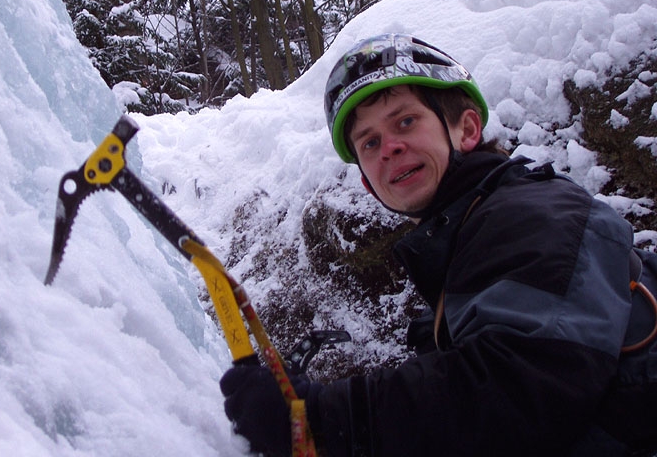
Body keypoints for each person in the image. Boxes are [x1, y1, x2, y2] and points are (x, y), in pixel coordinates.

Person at [219, 33, 657, 456]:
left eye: (405, 121)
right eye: (369, 142)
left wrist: (321, 418)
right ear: (369, 183)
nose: (388, 148)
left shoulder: (532, 214)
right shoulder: (468, 239)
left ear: (466, 129)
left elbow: (516, 396)